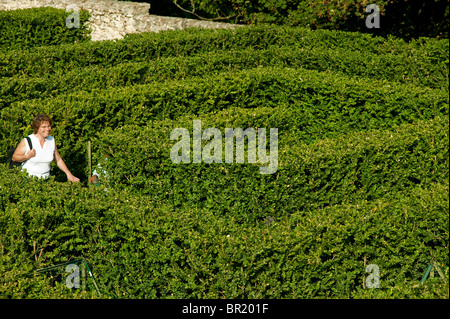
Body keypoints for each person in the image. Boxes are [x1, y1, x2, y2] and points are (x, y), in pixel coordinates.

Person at [12, 114, 80, 182]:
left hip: (45, 180)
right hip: (28, 180)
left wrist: (69, 174)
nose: (47, 129)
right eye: (44, 127)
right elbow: (14, 158)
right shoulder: (27, 141)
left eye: (49, 126)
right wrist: (27, 156)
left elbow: (58, 159)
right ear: (36, 128)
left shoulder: (51, 140)